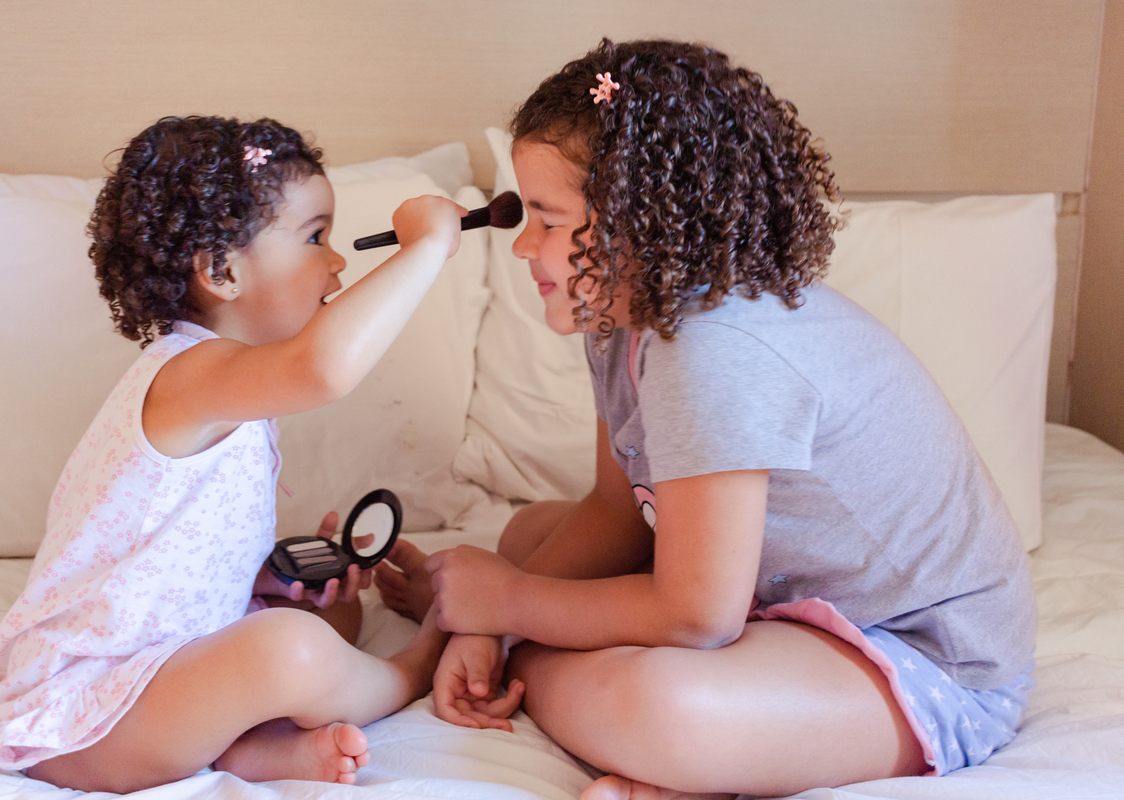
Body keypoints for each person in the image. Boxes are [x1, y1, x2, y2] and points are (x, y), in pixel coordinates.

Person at [375, 40, 1037, 799]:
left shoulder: (714, 349)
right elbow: (616, 512)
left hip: (921, 658)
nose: (526, 246)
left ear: (647, 223)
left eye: (551, 222)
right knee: (528, 537)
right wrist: (487, 620)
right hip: (767, 601)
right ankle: (689, 754)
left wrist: (506, 610)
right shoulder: (622, 322)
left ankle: (681, 753)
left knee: (654, 706)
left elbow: (696, 616)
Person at [0, 115, 462, 793]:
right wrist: (425, 249)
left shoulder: (220, 382)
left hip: (165, 674)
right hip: (92, 716)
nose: (337, 261)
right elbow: (325, 367)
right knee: (295, 651)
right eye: (315, 237)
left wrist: (264, 580)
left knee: (323, 612)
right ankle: (411, 668)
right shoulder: (190, 376)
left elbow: (161, 558)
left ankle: (247, 753)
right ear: (221, 270)